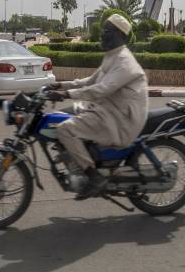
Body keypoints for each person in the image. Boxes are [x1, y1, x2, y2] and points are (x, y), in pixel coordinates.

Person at [46, 14, 148, 200]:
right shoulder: (113, 57)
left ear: (120, 36)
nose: (102, 35)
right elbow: (90, 81)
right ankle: (80, 158)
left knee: (65, 129)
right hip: (107, 111)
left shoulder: (125, 62)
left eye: (107, 32)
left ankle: (94, 177)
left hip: (120, 120)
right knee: (62, 115)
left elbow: (101, 89)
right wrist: (61, 85)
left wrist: (66, 94)